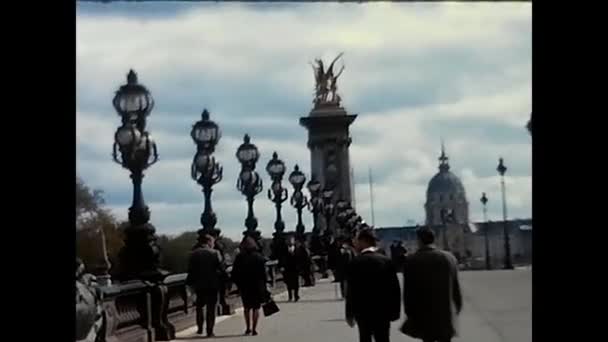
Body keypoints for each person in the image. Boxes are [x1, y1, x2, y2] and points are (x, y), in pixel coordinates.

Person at [400, 227, 462, 342]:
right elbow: (455, 288)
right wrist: (457, 308)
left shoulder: (412, 260)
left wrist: (410, 313)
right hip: (446, 313)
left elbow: (409, 292)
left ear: (419, 240)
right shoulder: (449, 258)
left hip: (424, 315)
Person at [346, 229, 401, 342]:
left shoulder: (355, 263)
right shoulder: (386, 261)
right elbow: (394, 289)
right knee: (383, 338)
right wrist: (395, 311)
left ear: (363, 241)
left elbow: (351, 291)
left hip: (363, 311)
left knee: (365, 337)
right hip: (383, 310)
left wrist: (349, 313)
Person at [186, 234, 224, 337]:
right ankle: (210, 331)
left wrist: (190, 285)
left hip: (199, 285)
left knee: (200, 306)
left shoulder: (194, 254)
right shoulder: (215, 253)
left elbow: (190, 271)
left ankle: (200, 328)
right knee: (211, 308)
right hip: (212, 285)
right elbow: (221, 269)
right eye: (212, 242)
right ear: (208, 242)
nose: (213, 244)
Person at [231, 236, 268, 336]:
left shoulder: (239, 257)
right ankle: (254, 329)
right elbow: (263, 274)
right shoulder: (259, 257)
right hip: (257, 285)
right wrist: (264, 286)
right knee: (256, 308)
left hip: (245, 286)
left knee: (247, 307)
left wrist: (238, 284)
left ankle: (248, 328)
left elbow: (234, 273)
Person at [280, 236, 302, 302]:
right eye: (288, 240)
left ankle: (296, 296)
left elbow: (301, 259)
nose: (290, 241)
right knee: (288, 283)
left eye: (291, 240)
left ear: (294, 241)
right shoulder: (284, 249)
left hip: (296, 268)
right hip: (287, 269)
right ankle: (290, 296)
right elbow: (281, 258)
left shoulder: (298, 249)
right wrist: (282, 266)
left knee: (296, 283)